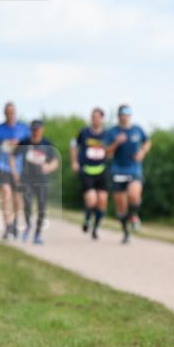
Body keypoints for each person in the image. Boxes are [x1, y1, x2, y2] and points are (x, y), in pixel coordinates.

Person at [105, 104, 150, 244]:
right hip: (118, 170)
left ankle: (134, 216)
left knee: (134, 195)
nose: (125, 116)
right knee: (121, 206)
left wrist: (142, 152)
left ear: (130, 115)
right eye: (122, 114)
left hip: (134, 169)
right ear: (118, 116)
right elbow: (107, 153)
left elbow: (147, 142)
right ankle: (125, 233)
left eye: (127, 113)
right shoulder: (112, 132)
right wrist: (116, 142)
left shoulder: (137, 130)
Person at [0, 102, 30, 240]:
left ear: (15, 112)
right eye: (8, 112)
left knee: (17, 198)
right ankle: (7, 226)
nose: (10, 114)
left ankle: (14, 222)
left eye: (12, 112)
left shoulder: (24, 129)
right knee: (6, 193)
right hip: (3, 166)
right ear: (4, 113)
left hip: (19, 168)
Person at [17, 120, 59, 244]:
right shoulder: (24, 142)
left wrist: (49, 167)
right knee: (27, 203)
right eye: (33, 129)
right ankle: (28, 225)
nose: (35, 132)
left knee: (42, 206)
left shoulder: (47, 144)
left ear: (42, 130)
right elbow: (13, 156)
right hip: (26, 178)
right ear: (31, 130)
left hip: (42, 179)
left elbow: (55, 161)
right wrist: (15, 171)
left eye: (38, 129)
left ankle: (37, 234)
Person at [70, 107, 110, 239]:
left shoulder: (107, 135)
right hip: (87, 170)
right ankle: (87, 218)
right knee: (92, 200)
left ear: (102, 119)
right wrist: (74, 162)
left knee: (102, 201)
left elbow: (110, 150)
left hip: (101, 170)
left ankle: (96, 228)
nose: (95, 119)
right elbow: (73, 145)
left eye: (97, 117)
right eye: (93, 117)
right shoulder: (84, 132)